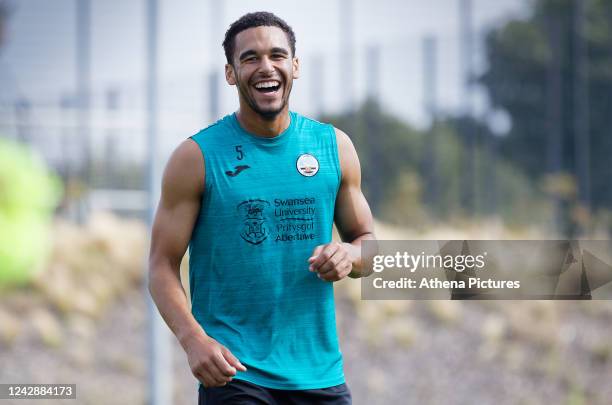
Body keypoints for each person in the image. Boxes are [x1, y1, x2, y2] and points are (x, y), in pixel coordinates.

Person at [148, 11, 375, 405]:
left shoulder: (334, 147)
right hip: (236, 376)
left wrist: (350, 256)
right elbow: (161, 264)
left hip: (321, 376)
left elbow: (369, 247)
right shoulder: (196, 157)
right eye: (250, 58)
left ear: (295, 66)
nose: (265, 67)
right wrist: (193, 341)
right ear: (231, 73)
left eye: (277, 55)